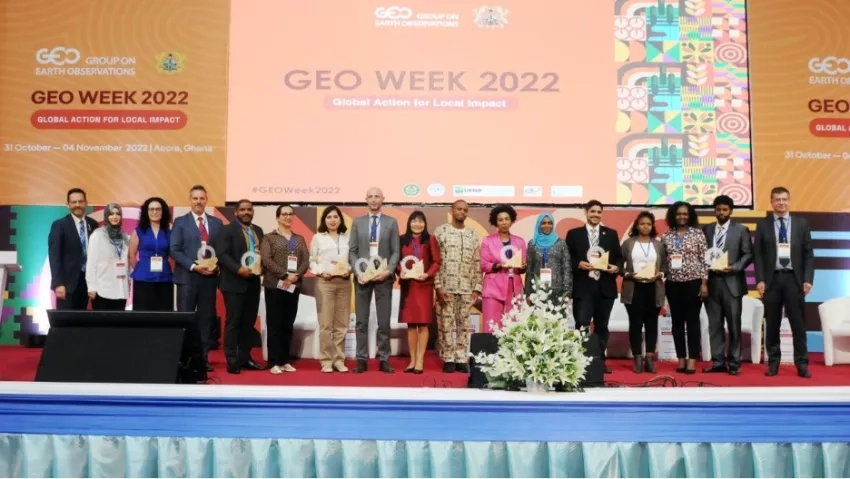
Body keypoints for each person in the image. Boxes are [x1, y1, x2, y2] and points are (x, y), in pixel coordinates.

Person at [753, 186, 813, 378]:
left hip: (794, 280)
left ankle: (802, 364)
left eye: (784, 199)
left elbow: (808, 254)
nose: (781, 203)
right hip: (772, 280)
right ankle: (773, 363)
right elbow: (759, 256)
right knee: (772, 325)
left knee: (798, 325)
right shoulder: (763, 225)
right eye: (777, 199)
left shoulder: (801, 224)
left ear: (789, 201)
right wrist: (760, 279)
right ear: (771, 202)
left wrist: (807, 279)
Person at [565, 200, 623, 373]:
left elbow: (618, 258)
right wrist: (579, 264)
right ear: (586, 212)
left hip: (605, 288)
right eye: (592, 212)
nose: (596, 215)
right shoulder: (574, 234)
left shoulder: (610, 234)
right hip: (583, 288)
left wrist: (616, 267)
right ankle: (580, 361)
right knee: (581, 324)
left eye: (599, 212)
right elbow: (568, 259)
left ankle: (599, 361)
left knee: (602, 327)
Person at [170, 185, 223, 371]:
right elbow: (174, 249)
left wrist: (215, 267)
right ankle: (183, 358)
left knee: (206, 319)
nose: (198, 202)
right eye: (195, 198)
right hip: (187, 278)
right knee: (186, 318)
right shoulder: (180, 222)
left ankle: (203, 358)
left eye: (202, 198)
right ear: (190, 200)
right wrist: (194, 266)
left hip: (209, 279)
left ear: (206, 200)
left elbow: (221, 250)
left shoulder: (217, 223)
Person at [349, 187, 400, 374]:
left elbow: (396, 251)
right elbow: (352, 251)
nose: (373, 199)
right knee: (361, 321)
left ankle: (384, 358)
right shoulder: (358, 222)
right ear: (366, 199)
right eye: (370, 196)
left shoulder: (391, 223)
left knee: (384, 321)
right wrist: (358, 271)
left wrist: (388, 271)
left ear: (383, 199)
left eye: (376, 196)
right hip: (362, 277)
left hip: (383, 278)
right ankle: (361, 358)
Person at [702, 195, 753, 376]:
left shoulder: (741, 230)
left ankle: (734, 363)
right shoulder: (706, 230)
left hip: (732, 282)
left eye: (724, 209)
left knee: (733, 325)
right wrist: (704, 282)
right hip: (712, 282)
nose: (721, 213)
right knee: (714, 325)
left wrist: (733, 267)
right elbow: (702, 257)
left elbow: (748, 255)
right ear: (714, 211)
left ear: (731, 211)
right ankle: (717, 362)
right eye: (718, 209)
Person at [214, 199, 265, 374]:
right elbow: (222, 254)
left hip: (253, 282)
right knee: (233, 322)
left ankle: (245, 357)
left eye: (249, 209)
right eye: (242, 209)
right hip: (234, 283)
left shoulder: (258, 230)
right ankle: (231, 360)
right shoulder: (227, 230)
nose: (246, 212)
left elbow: (261, 253)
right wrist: (238, 269)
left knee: (248, 323)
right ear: (236, 212)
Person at [261, 204, 310, 374]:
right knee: (274, 324)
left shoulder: (299, 239)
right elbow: (266, 260)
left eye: (290, 214)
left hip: (293, 286)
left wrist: (296, 275)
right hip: (275, 285)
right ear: (278, 217)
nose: (288, 217)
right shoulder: (269, 237)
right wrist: (284, 275)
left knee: (287, 324)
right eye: (284, 214)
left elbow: (305, 259)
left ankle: (284, 360)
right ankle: (274, 362)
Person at [434, 200, 482, 373]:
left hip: (467, 287)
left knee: (464, 324)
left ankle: (461, 357)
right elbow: (435, 261)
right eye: (459, 209)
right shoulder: (441, 232)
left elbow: (477, 262)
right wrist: (438, 285)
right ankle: (448, 357)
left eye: (465, 210)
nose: (462, 212)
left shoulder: (473, 234)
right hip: (446, 287)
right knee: (445, 324)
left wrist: (477, 287)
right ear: (452, 210)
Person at [660, 201, 708, 374]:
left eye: (685, 214)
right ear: (673, 215)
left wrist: (704, 283)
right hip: (673, 283)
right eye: (679, 214)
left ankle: (693, 359)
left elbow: (704, 261)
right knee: (677, 322)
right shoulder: (666, 236)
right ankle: (681, 358)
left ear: (690, 216)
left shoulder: (698, 234)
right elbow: (662, 261)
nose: (682, 217)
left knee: (692, 322)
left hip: (693, 281)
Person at [620, 211, 665, 373]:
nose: (645, 226)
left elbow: (665, 266)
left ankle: (650, 359)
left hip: (654, 288)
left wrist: (660, 274)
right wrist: (627, 274)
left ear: (652, 226)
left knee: (652, 324)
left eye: (648, 224)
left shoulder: (658, 244)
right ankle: (637, 358)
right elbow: (619, 265)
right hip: (634, 288)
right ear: (637, 226)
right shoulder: (628, 244)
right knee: (636, 324)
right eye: (642, 223)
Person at [397, 211, 441, 374]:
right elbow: (396, 261)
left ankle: (420, 361)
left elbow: (437, 261)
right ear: (409, 223)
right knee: (410, 325)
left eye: (421, 221)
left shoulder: (430, 239)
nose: (417, 224)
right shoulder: (402, 239)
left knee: (422, 324)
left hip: (424, 285)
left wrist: (427, 274)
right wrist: (400, 271)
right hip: (408, 286)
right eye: (414, 221)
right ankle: (412, 360)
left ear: (425, 224)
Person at [309, 205, 352, 373]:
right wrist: (321, 271)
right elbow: (312, 261)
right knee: (326, 324)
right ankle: (326, 361)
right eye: (329, 217)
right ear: (324, 220)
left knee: (341, 324)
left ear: (340, 219)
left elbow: (353, 259)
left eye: (335, 217)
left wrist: (350, 269)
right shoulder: (318, 238)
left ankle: (339, 360)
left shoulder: (348, 238)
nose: (332, 220)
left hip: (344, 283)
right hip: (324, 283)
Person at [48, 188, 98, 310]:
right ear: (68, 204)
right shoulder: (59, 225)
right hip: (67, 285)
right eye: (73, 202)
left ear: (86, 203)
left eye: (80, 202)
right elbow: (54, 256)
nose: (77, 205)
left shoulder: (94, 224)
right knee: (64, 323)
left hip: (87, 283)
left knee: (81, 322)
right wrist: (58, 283)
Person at [480, 204, 527, 332]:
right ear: (495, 222)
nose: (504, 222)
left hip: (514, 287)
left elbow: (524, 265)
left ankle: (510, 352)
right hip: (493, 287)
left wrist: (523, 267)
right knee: (491, 324)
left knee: (514, 325)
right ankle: (490, 351)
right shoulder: (487, 241)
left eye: (507, 219)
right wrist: (497, 265)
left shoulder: (520, 241)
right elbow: (483, 265)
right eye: (500, 220)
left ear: (511, 220)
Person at [129, 197, 174, 311]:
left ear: (163, 211)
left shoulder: (169, 230)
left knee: (164, 314)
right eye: (151, 209)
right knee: (142, 314)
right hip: (143, 279)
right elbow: (132, 255)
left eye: (158, 209)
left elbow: (174, 253)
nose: (155, 212)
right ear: (146, 212)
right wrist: (143, 268)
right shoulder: (138, 230)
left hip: (164, 278)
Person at [85, 203, 130, 310]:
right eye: (111, 214)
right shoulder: (97, 235)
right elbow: (91, 263)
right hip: (103, 289)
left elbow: (126, 262)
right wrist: (91, 287)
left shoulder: (124, 236)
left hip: (121, 289)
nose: (115, 217)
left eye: (118, 214)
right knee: (102, 325)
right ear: (106, 216)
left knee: (118, 325)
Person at [524, 212, 572, 305]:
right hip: (536, 290)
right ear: (539, 224)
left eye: (550, 223)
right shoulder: (532, 244)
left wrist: (567, 293)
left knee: (556, 319)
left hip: (557, 290)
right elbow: (529, 269)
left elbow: (567, 269)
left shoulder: (561, 243)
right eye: (543, 223)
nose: (547, 225)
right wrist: (528, 293)